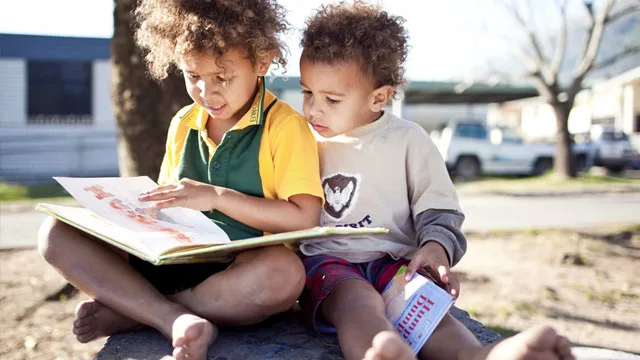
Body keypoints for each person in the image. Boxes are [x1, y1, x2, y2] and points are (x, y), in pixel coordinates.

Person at [37, 1, 324, 359]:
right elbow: (164, 207)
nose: (207, 92)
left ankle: (138, 312)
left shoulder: (285, 126)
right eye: (193, 77)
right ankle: (168, 316)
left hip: (238, 272)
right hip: (172, 260)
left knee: (285, 275)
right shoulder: (184, 122)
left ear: (262, 62)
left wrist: (217, 196)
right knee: (55, 233)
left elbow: (304, 217)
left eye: (222, 77)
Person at [296, 2, 575, 360]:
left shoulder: (408, 140)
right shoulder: (301, 140)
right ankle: (379, 352)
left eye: (331, 99)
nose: (313, 109)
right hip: (328, 263)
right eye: (307, 92)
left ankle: (478, 355)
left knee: (425, 306)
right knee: (359, 303)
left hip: (394, 261)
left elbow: (439, 208)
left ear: (379, 97)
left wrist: (436, 248)